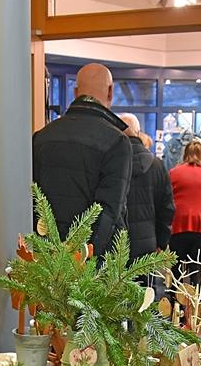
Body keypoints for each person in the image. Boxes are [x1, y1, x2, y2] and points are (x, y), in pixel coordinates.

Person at [32, 62, 132, 257]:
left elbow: (33, 202)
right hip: (94, 264)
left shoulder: (42, 137)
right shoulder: (116, 142)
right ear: (110, 92)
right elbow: (108, 213)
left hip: (45, 256)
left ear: (76, 92)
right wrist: (84, 259)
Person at [118, 113, 175, 261]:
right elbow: (167, 208)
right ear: (138, 132)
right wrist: (162, 242)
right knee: (147, 284)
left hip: (117, 245)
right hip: (148, 244)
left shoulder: (111, 163)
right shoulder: (157, 165)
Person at [168, 140, 201, 284]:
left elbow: (166, 200)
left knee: (176, 271)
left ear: (184, 155)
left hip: (179, 225)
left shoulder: (174, 173)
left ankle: (174, 302)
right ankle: (196, 302)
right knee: (197, 270)